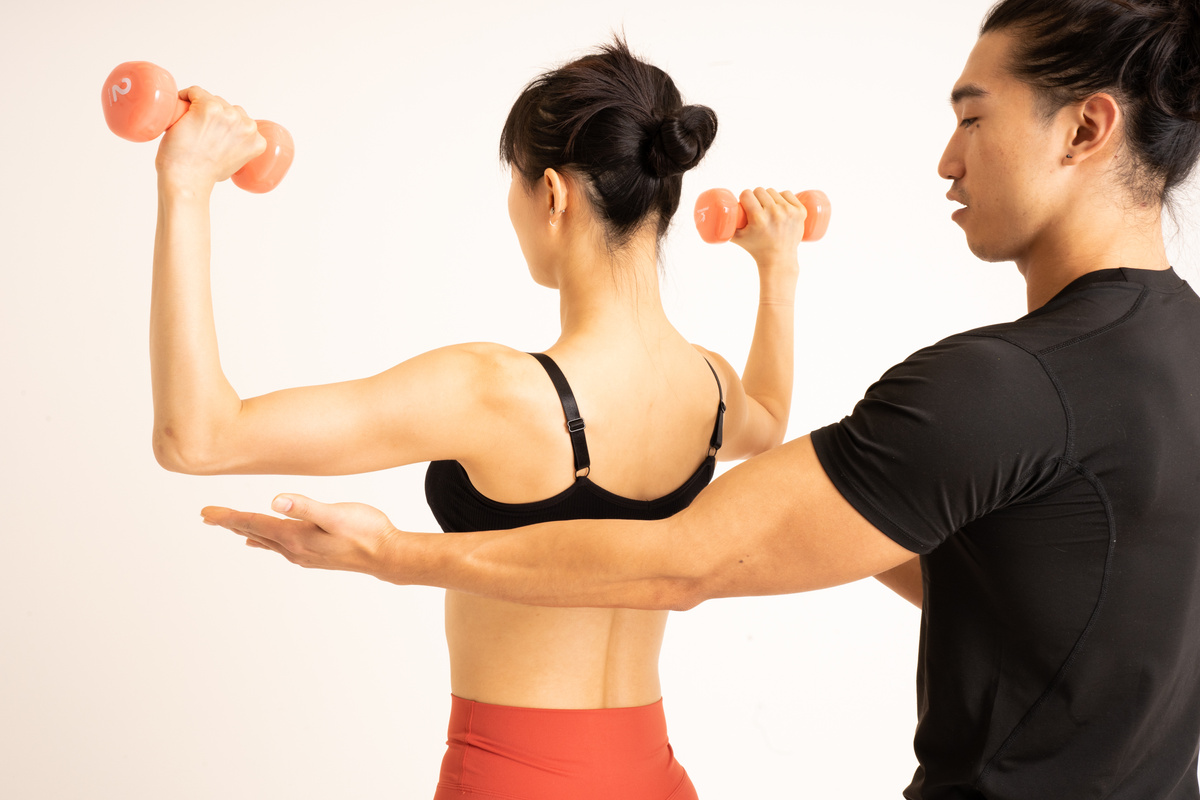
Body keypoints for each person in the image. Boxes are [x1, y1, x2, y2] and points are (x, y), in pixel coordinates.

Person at [203, 1, 1200, 797]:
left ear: (1086, 127)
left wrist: (392, 555)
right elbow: (1032, 588)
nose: (947, 157)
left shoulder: (998, 385)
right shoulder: (1175, 354)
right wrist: (777, 275)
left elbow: (685, 560)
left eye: (972, 117)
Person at [156, 38, 811, 800]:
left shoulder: (493, 392)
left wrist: (187, 186)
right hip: (655, 777)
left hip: (511, 779)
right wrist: (779, 269)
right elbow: (770, 419)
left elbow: (197, 438)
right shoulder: (711, 389)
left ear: (553, 195)